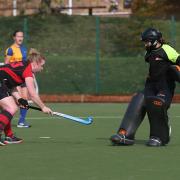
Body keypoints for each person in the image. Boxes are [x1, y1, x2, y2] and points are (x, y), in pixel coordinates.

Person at [110, 28, 180, 147]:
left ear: (155, 41)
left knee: (156, 104)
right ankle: (125, 134)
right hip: (151, 85)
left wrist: (175, 70)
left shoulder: (167, 49)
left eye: (147, 41)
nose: (145, 44)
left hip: (165, 86)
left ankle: (159, 137)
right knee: (138, 100)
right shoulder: (149, 52)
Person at [0, 48, 52, 146]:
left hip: (2, 82)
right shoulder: (27, 71)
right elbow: (33, 95)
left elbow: (11, 85)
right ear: (36, 63)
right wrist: (43, 107)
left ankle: (9, 136)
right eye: (42, 65)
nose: (42, 68)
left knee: (7, 108)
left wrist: (19, 98)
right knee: (11, 107)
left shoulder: (23, 65)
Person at [5, 30, 31, 128]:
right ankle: (5, 121)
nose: (20, 38)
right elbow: (6, 64)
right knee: (17, 100)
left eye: (22, 36)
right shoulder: (10, 49)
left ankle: (21, 121)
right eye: (18, 36)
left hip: (22, 77)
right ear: (14, 37)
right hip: (14, 78)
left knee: (24, 99)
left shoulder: (24, 49)